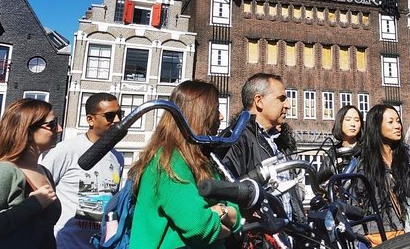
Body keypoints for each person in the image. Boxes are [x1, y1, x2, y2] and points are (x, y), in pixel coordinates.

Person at [127, 80, 241, 249]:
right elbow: (200, 226)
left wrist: (220, 211)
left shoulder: (201, 159)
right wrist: (228, 226)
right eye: (216, 109)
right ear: (199, 114)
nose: (221, 116)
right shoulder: (168, 162)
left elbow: (235, 211)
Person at [40, 92, 124, 248]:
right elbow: (41, 191)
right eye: (110, 115)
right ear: (90, 119)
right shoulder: (66, 150)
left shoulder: (118, 158)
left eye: (120, 114)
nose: (118, 120)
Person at [221, 73, 306, 225]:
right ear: (259, 101)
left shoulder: (278, 142)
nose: (288, 105)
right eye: (281, 99)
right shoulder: (236, 138)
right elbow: (227, 191)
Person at [356, 104, 410, 244]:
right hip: (375, 237)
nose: (397, 126)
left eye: (398, 121)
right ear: (376, 126)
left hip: (409, 235)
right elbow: (357, 206)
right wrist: (359, 239)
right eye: (391, 122)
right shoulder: (363, 164)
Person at [0, 99, 62, 248]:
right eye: (52, 124)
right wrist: (31, 205)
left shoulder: (45, 172)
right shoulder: (4, 171)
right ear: (28, 132)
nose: (59, 129)